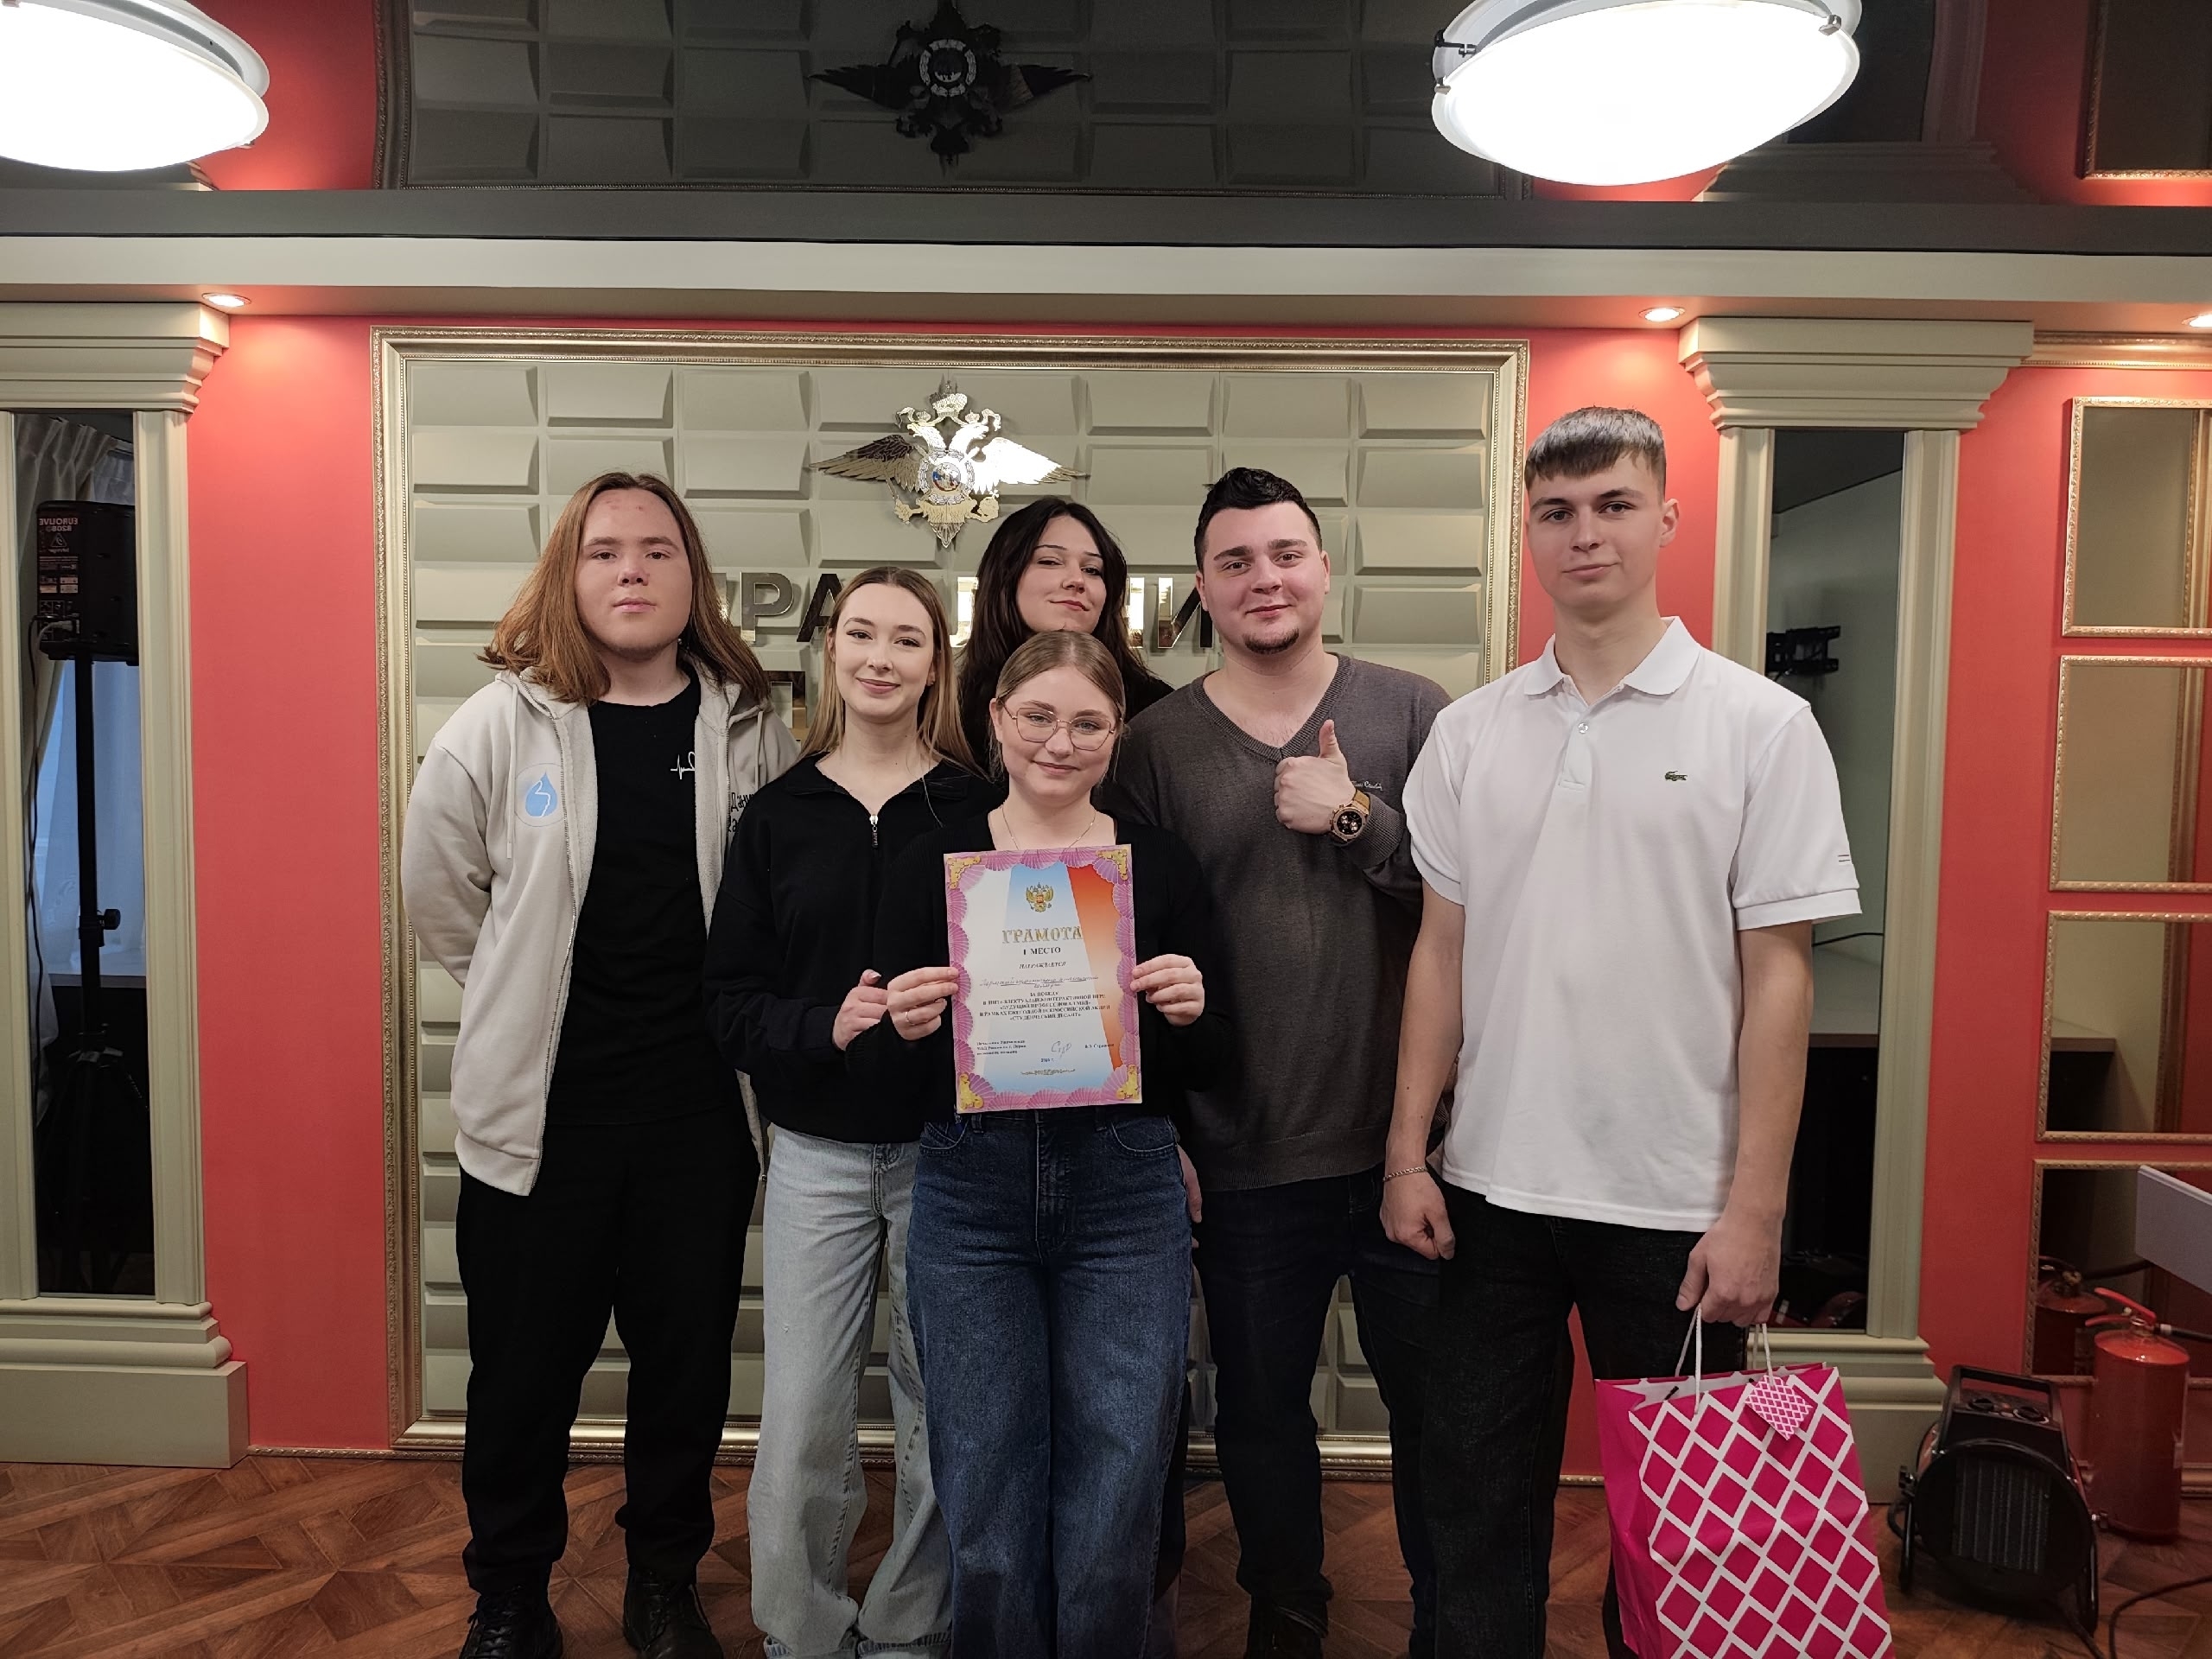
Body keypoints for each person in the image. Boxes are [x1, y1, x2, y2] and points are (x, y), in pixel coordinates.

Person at [1382, 407, 1857, 1657]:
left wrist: (1757, 1209)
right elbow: (1439, 954)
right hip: (1490, 1195)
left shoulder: (1760, 726)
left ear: (1666, 519)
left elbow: (1782, 979)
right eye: (1556, 511)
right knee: (1474, 1515)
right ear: (1528, 532)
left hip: (1679, 1209)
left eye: (1612, 505)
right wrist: (1405, 1154)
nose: (1584, 533)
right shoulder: (1472, 732)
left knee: (1684, 1538)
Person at [402, 471, 797, 1659]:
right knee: (521, 1380)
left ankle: (662, 1585)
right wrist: (520, 998)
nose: (632, 570)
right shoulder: (498, 724)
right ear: (567, 575)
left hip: (697, 1119)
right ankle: (509, 1598)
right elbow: (442, 898)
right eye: (606, 550)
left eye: (658, 551)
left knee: (683, 1375)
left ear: (691, 578)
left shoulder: (749, 727)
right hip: (541, 1124)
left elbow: (783, 903)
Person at [1103, 467, 1446, 1659]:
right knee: (1257, 1417)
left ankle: (1448, 1622)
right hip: (1241, 1156)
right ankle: (1286, 1616)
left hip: (1411, 1152)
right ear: (1202, 588)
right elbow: (1127, 958)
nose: (1266, 579)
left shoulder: (1413, 713)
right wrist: (1164, 1132)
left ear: (1324, 568)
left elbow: (1478, 907)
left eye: (1286, 554)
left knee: (1438, 1417)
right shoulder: (1154, 748)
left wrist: (1357, 815)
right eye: (1236, 562)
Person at [863, 630, 1233, 1657]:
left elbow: (1213, 1065)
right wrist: (903, 1028)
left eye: (1086, 723)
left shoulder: (1156, 866)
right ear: (996, 718)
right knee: (985, 1485)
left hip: (1124, 1190)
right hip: (968, 1193)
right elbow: (888, 1088)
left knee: (1119, 1484)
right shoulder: (933, 865)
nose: (1058, 743)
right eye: (1037, 716)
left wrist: (1192, 1010)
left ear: (1116, 735)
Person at [703, 568, 981, 1659]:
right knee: (802, 1414)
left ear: (935, 664)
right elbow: (729, 1004)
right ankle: (803, 1632)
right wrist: (827, 1025)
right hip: (814, 1155)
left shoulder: (976, 806)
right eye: (860, 633)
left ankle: (913, 1627)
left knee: (938, 1405)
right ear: (830, 651)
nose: (880, 657)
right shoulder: (779, 815)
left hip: (946, 1156)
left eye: (906, 639)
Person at [956, 495, 1172, 771]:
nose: (1077, 580)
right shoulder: (952, 711)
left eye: (1092, 569)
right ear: (1006, 575)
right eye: (1050, 561)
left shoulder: (1156, 709)